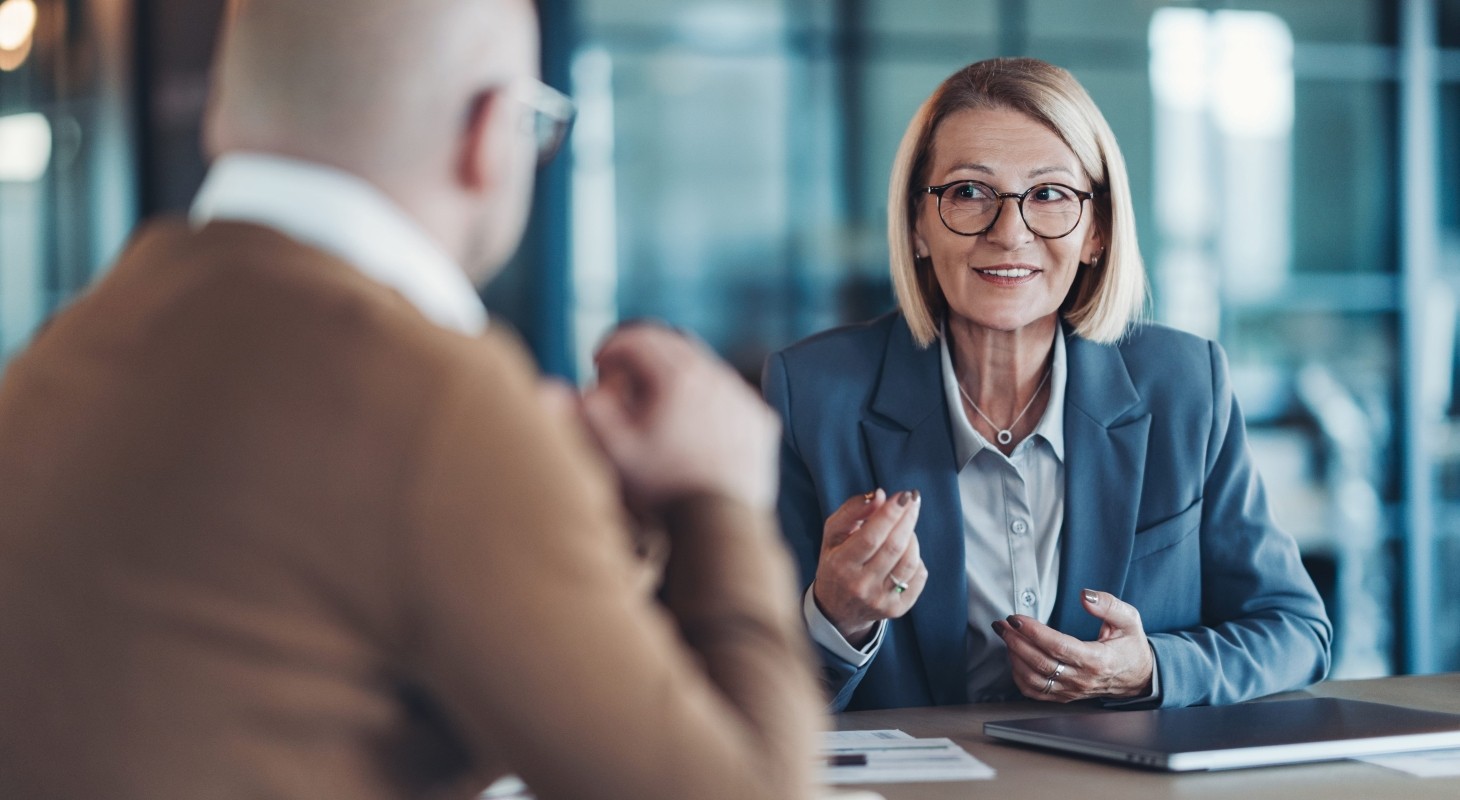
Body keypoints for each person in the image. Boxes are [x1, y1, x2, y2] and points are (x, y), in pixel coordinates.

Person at [0, 1, 820, 798]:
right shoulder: (435, 398)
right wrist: (718, 493)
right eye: (539, 123)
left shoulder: (69, 347)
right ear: (489, 131)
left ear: (225, 107)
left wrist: (567, 499)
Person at [763, 57, 1331, 713]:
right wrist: (837, 620)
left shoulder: (1184, 385)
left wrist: (1150, 669)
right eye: (969, 192)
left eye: (1050, 195)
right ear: (918, 226)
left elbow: (1295, 631)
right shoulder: (812, 393)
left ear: (1096, 232)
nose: (1009, 234)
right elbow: (743, 694)